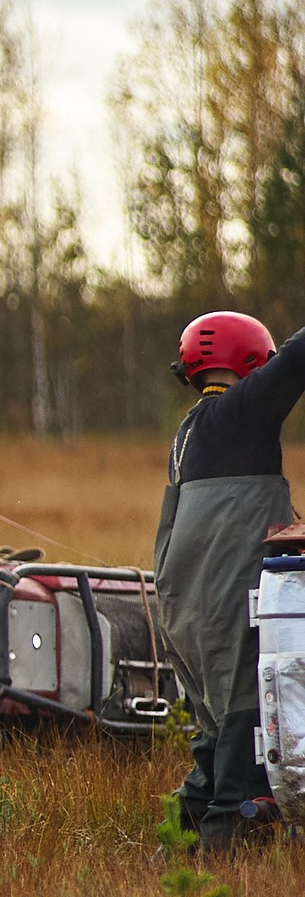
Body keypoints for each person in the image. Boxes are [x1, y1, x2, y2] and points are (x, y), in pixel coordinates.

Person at [154, 311, 305, 849]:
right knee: (243, 733)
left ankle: (172, 849)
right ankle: (226, 853)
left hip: (183, 607)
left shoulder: (191, 429)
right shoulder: (241, 413)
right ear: (249, 362)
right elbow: (297, 359)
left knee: (215, 735)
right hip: (223, 603)